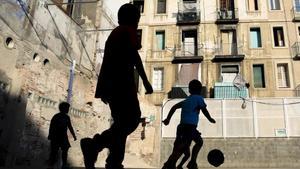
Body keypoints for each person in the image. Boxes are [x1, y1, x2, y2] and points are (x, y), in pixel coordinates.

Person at [80, 3, 153, 169]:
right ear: (132, 19)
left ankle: (114, 162)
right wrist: (146, 81)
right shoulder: (127, 31)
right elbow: (135, 57)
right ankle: (95, 145)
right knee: (131, 120)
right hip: (121, 84)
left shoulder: (116, 33)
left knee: (120, 125)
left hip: (112, 85)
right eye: (137, 18)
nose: (137, 22)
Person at [162, 79, 216, 169]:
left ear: (189, 90)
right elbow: (204, 110)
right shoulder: (199, 98)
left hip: (181, 127)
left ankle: (176, 163)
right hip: (190, 127)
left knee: (182, 146)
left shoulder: (187, 100)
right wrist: (210, 119)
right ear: (200, 90)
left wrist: (168, 119)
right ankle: (174, 163)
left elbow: (174, 107)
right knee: (188, 145)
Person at [48, 102, 77, 169]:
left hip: (63, 136)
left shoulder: (67, 117)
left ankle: (64, 165)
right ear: (63, 108)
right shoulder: (56, 116)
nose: (68, 109)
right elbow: (52, 126)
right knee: (54, 151)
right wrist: (50, 135)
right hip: (56, 136)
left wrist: (74, 135)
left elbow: (70, 127)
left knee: (65, 150)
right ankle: (51, 165)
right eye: (67, 108)